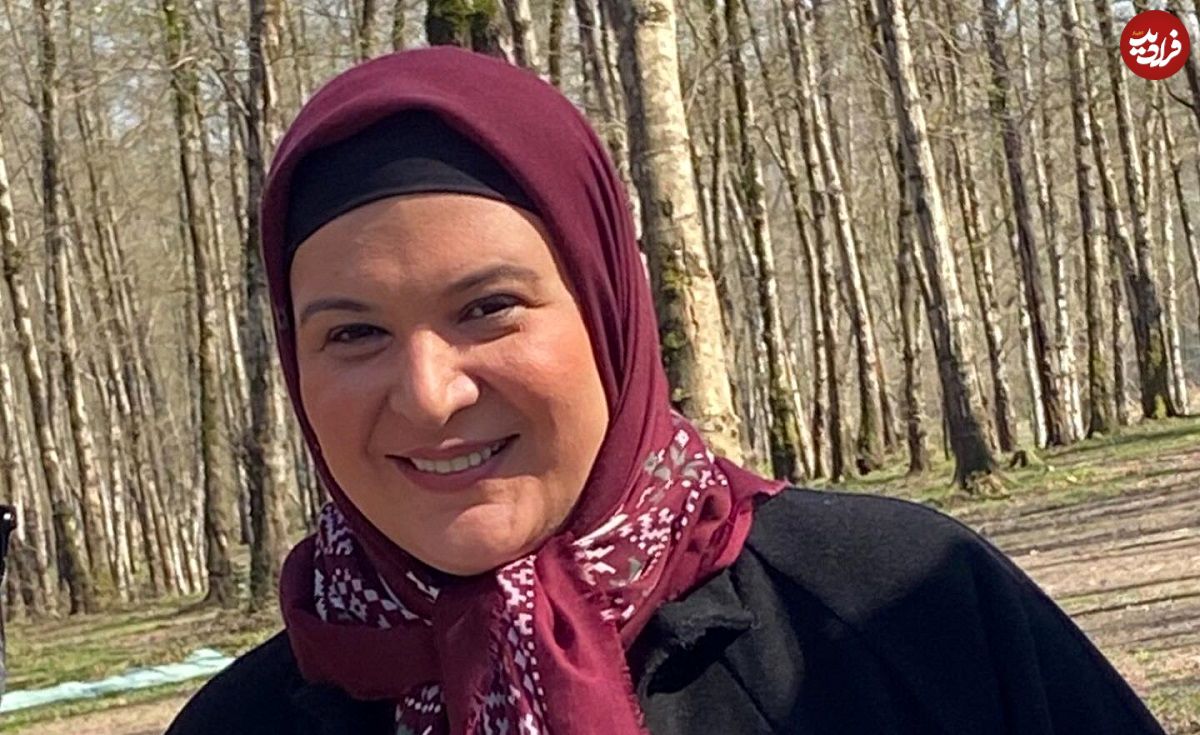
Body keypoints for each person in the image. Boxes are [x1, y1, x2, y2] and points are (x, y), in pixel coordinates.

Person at [166, 47, 1166, 735]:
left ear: (609, 310)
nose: (428, 395)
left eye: (487, 309)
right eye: (354, 334)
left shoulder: (897, 609)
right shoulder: (248, 720)